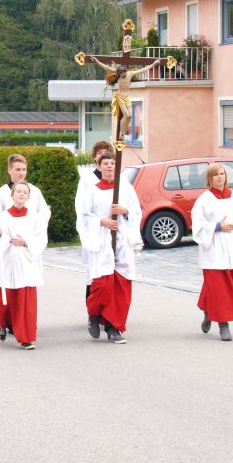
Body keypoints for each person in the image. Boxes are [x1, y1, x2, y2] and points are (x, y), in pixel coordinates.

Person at [76, 152, 142, 344]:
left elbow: (136, 211)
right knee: (102, 284)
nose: (110, 166)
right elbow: (84, 217)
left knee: (121, 285)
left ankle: (114, 327)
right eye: (106, 163)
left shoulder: (126, 188)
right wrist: (101, 221)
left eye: (113, 163)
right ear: (99, 166)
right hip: (102, 240)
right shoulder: (92, 190)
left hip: (122, 239)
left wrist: (125, 211)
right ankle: (94, 315)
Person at [191, 163, 233, 342]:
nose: (220, 177)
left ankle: (208, 312)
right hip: (213, 249)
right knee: (219, 288)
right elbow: (197, 225)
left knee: (220, 286)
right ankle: (223, 324)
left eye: (222, 174)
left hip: (230, 247)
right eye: (215, 174)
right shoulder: (204, 199)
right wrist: (217, 226)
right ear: (209, 178)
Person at [0, 182, 48, 350]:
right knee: (6, 300)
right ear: (12, 195)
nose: (22, 194)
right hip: (9, 262)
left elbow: (41, 237)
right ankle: (2, 322)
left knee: (26, 303)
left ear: (29, 196)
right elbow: (0, 245)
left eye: (25, 192)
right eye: (18, 191)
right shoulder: (3, 217)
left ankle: (26, 338)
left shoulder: (34, 217)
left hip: (26, 262)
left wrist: (26, 242)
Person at [75, 141, 113, 302]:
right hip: (94, 231)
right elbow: (81, 207)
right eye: (99, 153)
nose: (102, 155)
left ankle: (109, 309)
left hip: (113, 231)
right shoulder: (87, 179)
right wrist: (95, 223)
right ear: (94, 157)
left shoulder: (117, 178)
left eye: (105, 152)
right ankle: (93, 308)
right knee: (94, 272)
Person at [91, 57, 161, 144]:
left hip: (127, 97)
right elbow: (107, 67)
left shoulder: (130, 73)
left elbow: (143, 70)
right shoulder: (118, 73)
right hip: (120, 97)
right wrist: (97, 61)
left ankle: (123, 132)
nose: (121, 75)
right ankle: (122, 133)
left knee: (130, 116)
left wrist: (153, 64)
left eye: (122, 74)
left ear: (125, 72)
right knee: (126, 115)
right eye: (120, 74)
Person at [0, 154, 51, 242]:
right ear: (9, 170)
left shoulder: (35, 191)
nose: (21, 173)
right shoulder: (1, 194)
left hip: (29, 242)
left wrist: (35, 235)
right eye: (18, 169)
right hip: (9, 243)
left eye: (24, 169)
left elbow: (44, 213)